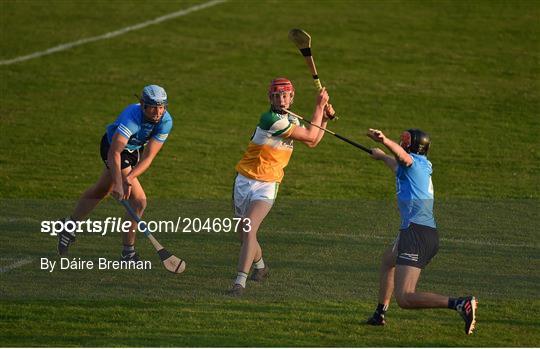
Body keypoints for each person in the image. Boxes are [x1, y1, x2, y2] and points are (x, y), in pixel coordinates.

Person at [365, 128, 477, 335]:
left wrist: (384, 141)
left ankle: (460, 304)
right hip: (416, 230)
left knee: (406, 297)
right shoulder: (418, 166)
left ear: (412, 146)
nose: (402, 142)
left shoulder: (412, 163)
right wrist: (381, 157)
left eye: (405, 141)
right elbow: (396, 163)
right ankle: (379, 313)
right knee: (388, 260)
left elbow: (402, 158)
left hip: (416, 235)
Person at [230, 77, 335, 296]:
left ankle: (239, 282)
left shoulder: (292, 120)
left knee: (249, 228)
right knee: (243, 234)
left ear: (292, 97)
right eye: (276, 96)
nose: (281, 99)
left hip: (267, 185)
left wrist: (323, 118)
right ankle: (261, 267)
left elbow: (312, 141)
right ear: (270, 98)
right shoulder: (270, 119)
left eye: (285, 95)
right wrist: (320, 107)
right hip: (244, 180)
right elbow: (309, 135)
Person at [57, 84, 173, 261]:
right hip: (113, 148)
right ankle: (128, 252)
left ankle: (69, 225)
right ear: (143, 105)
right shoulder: (131, 118)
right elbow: (115, 152)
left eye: (161, 107)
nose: (158, 112)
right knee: (139, 201)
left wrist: (129, 178)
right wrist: (119, 183)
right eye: (153, 107)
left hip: (133, 151)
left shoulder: (165, 121)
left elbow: (148, 158)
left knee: (101, 190)